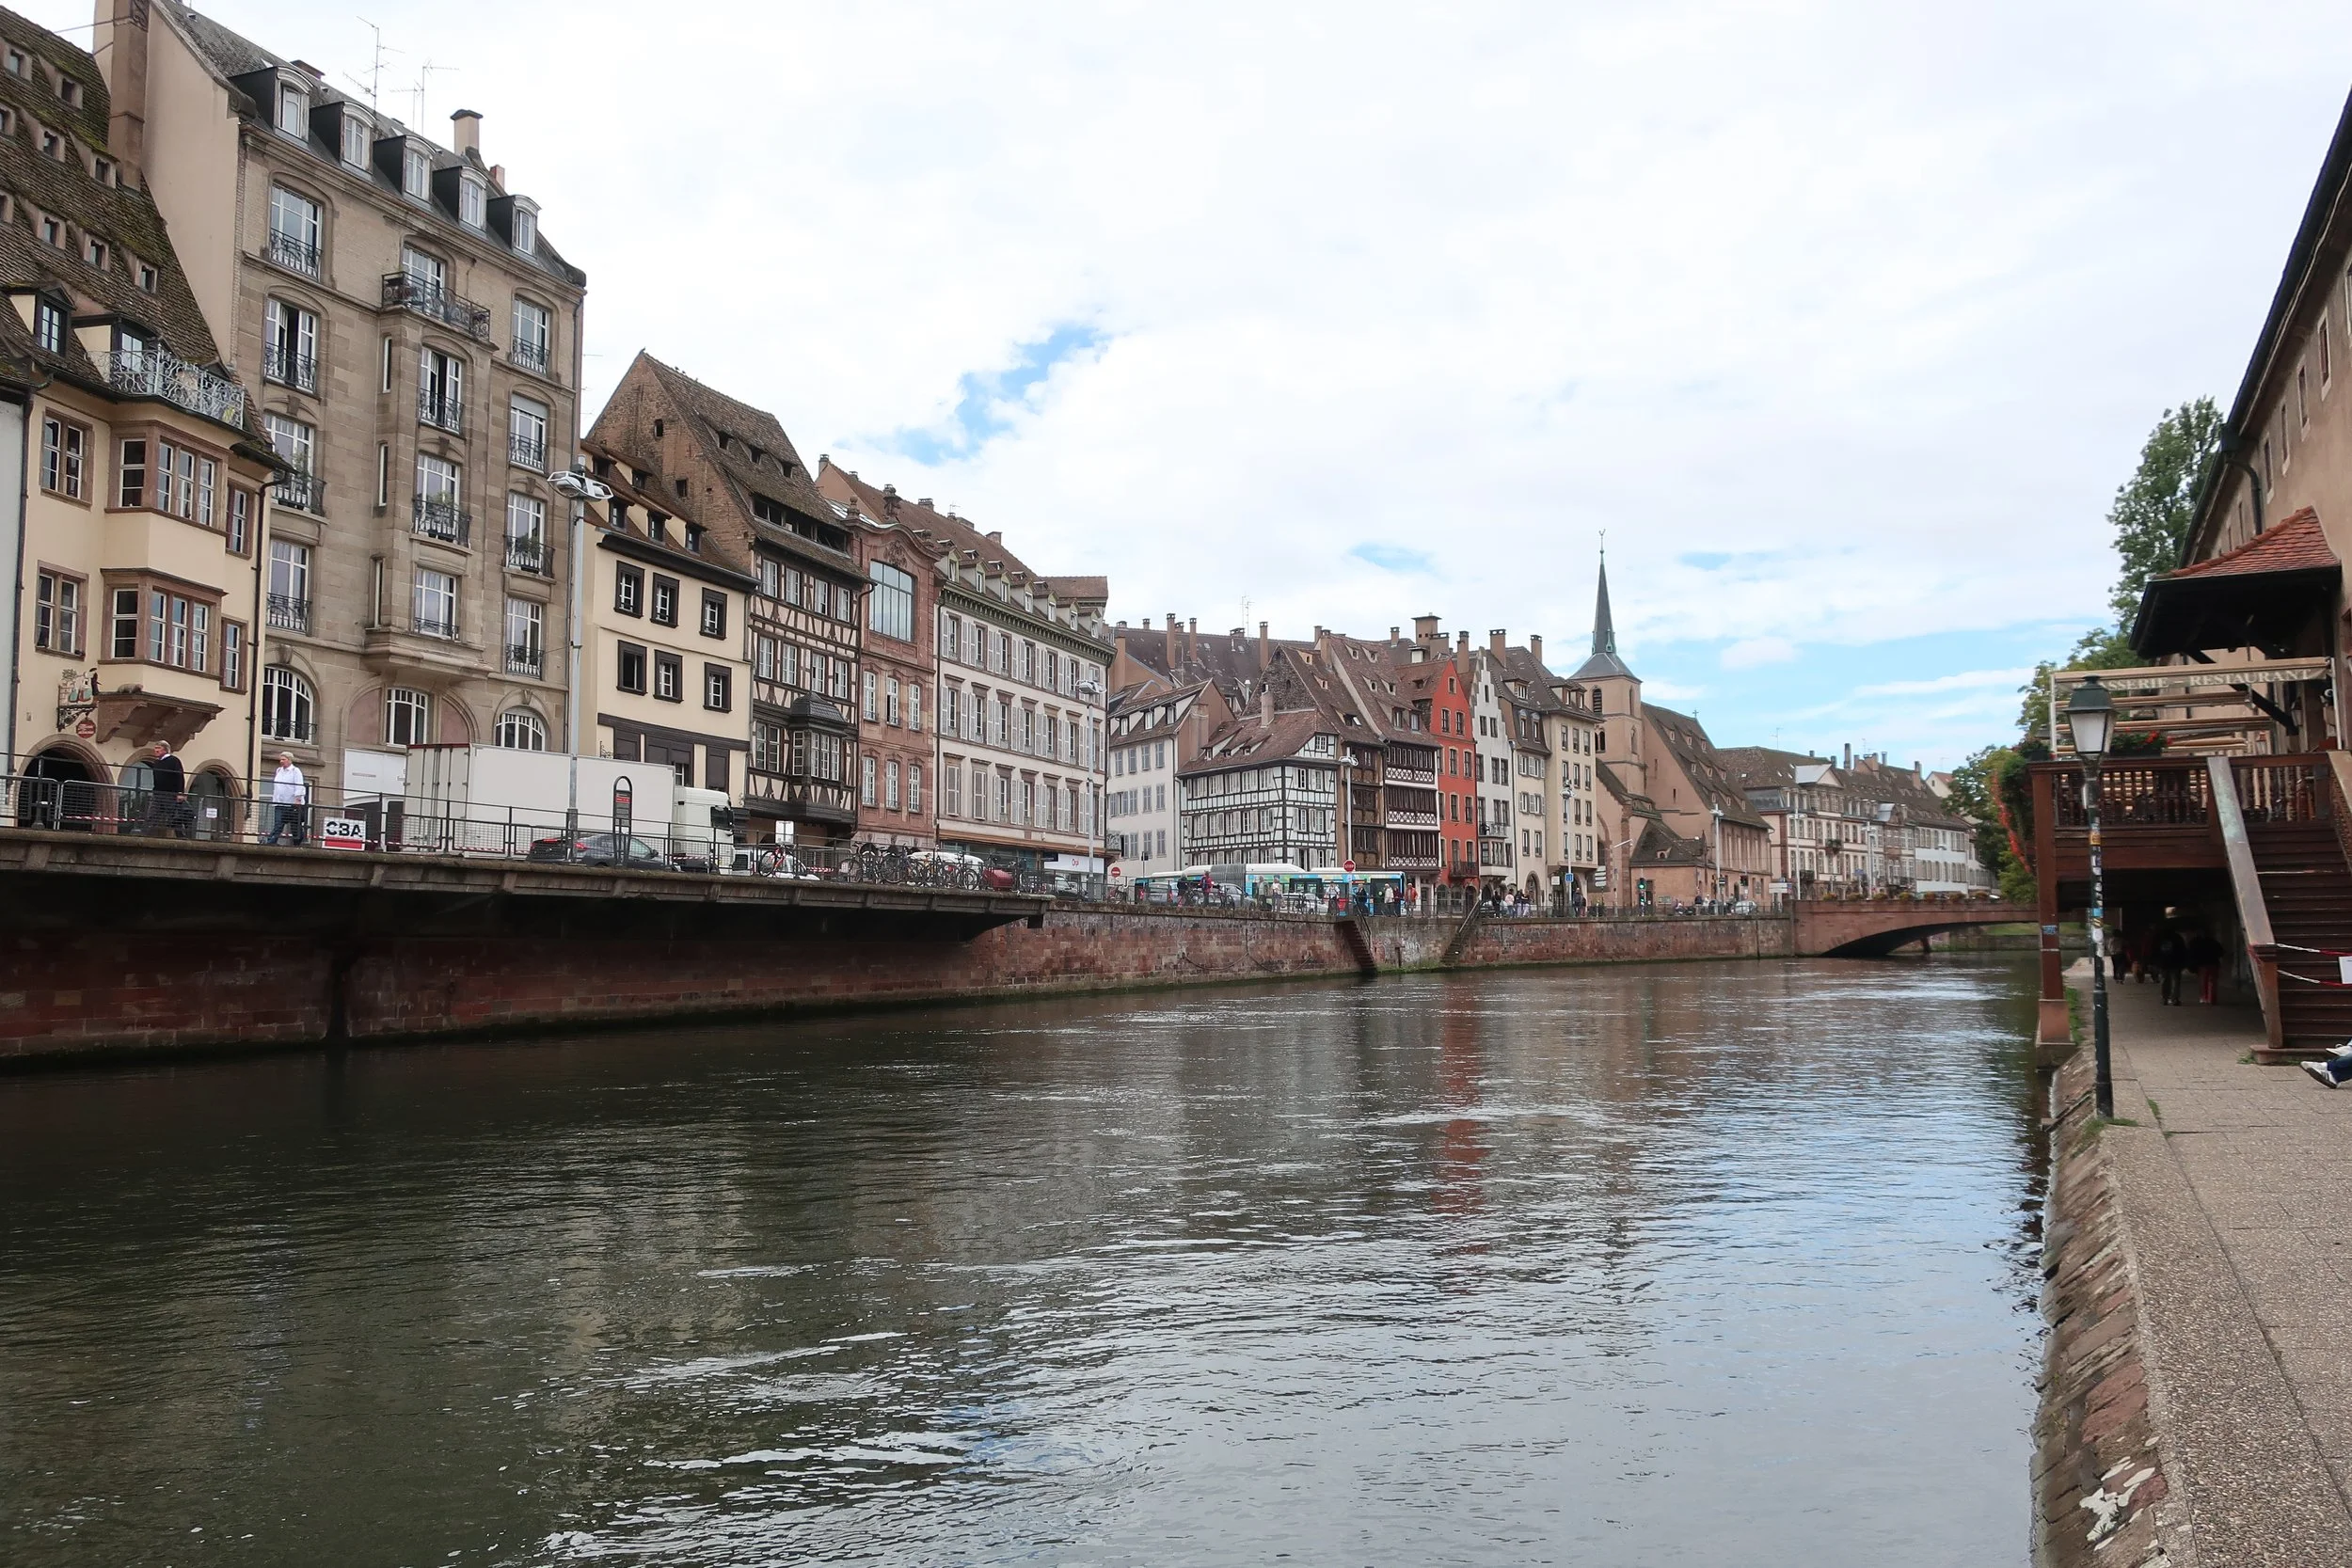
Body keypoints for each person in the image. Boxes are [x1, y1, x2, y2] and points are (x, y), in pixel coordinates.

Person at [144, 739, 187, 837]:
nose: (156, 750)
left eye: (159, 748)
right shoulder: (157, 762)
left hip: (170, 794)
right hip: (158, 793)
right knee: (152, 815)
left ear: (165, 750)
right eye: (155, 748)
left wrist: (180, 792)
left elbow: (179, 776)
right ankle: (145, 836)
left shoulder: (174, 761)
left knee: (174, 816)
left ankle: (181, 837)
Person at [265, 752, 308, 846]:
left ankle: (298, 842)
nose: (281, 761)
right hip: (280, 802)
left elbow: (299, 785)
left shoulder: (295, 771)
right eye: (280, 759)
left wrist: (298, 799)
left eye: (283, 759)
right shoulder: (279, 770)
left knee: (295, 825)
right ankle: (271, 841)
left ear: (289, 760)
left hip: (291, 803)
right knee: (278, 824)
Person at [2153, 925, 2188, 1006]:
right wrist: (2184, 962)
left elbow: (2154, 950)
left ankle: (2164, 998)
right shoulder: (2177, 937)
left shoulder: (2159, 938)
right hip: (2175, 962)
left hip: (2163, 963)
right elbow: (2183, 951)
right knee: (2176, 980)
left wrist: (2155, 962)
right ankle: (2174, 999)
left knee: (2164, 980)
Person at [2189, 928, 2225, 1005]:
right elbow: (2221, 951)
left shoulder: (2195, 942)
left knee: (2203, 981)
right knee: (2212, 981)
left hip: (2202, 964)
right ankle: (2211, 998)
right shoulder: (2213, 942)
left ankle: (2204, 997)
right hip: (2213, 963)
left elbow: (2191, 953)